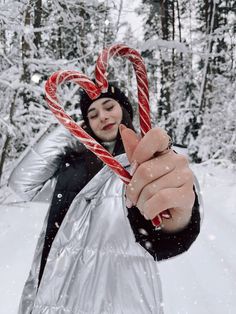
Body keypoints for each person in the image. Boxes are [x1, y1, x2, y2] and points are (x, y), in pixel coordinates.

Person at [9, 83, 202, 314]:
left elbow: (167, 236)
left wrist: (177, 221)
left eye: (109, 106)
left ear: (124, 109)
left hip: (119, 300)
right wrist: (69, 130)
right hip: (53, 297)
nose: (103, 116)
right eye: (92, 114)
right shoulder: (73, 165)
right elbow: (22, 184)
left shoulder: (146, 163)